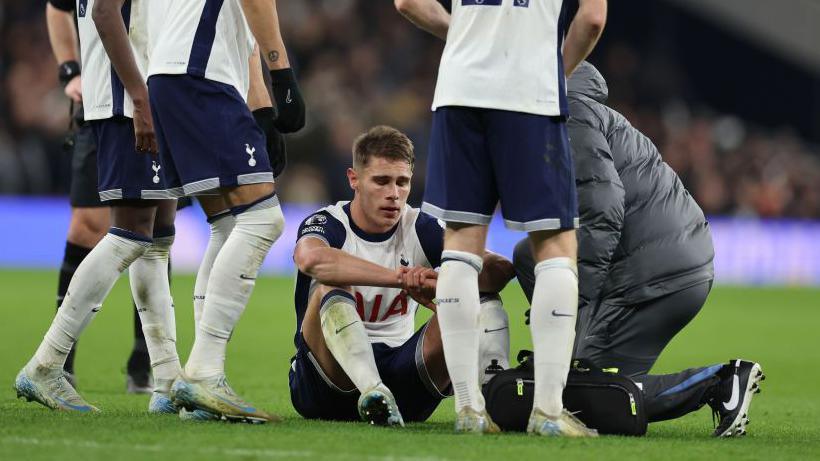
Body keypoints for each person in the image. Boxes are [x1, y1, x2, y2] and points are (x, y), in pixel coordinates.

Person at [512, 62, 764, 438]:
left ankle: (720, 382)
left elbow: (602, 207)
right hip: (665, 260)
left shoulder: (566, 115)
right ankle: (569, 353)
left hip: (653, 272)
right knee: (528, 255)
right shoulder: (585, 114)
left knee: (581, 396)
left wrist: (571, 299)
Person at [395, 0, 607, 435]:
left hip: (459, 91)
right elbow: (592, 18)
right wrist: (557, 74)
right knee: (555, 246)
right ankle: (548, 411)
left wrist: (467, 34)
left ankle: (468, 410)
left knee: (459, 247)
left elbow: (406, 2)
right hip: (531, 92)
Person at [14, 0, 181, 414]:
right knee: (129, 234)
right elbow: (105, 12)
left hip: (144, 98)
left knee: (158, 232)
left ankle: (165, 379)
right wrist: (141, 100)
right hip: (126, 101)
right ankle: (47, 365)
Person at [289, 125, 514, 426]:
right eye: (381, 181)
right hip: (327, 384)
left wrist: (446, 284)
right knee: (328, 288)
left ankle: (492, 399)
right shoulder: (329, 223)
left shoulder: (419, 226)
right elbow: (311, 258)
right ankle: (371, 390)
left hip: (403, 379)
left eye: (402, 182)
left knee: (478, 294)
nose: (394, 194)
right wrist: (399, 278)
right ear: (353, 179)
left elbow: (497, 272)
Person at [146, 0, 303, 423]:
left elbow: (242, 30)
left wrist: (263, 110)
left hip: (173, 74)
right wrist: (283, 73)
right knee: (264, 219)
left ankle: (200, 382)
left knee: (228, 223)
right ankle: (203, 371)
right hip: (200, 75)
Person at [44, 0, 153, 394]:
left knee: (155, 228)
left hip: (156, 99)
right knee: (90, 227)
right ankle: (58, 362)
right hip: (108, 105)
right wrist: (69, 69)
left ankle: (146, 363)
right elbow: (58, 8)